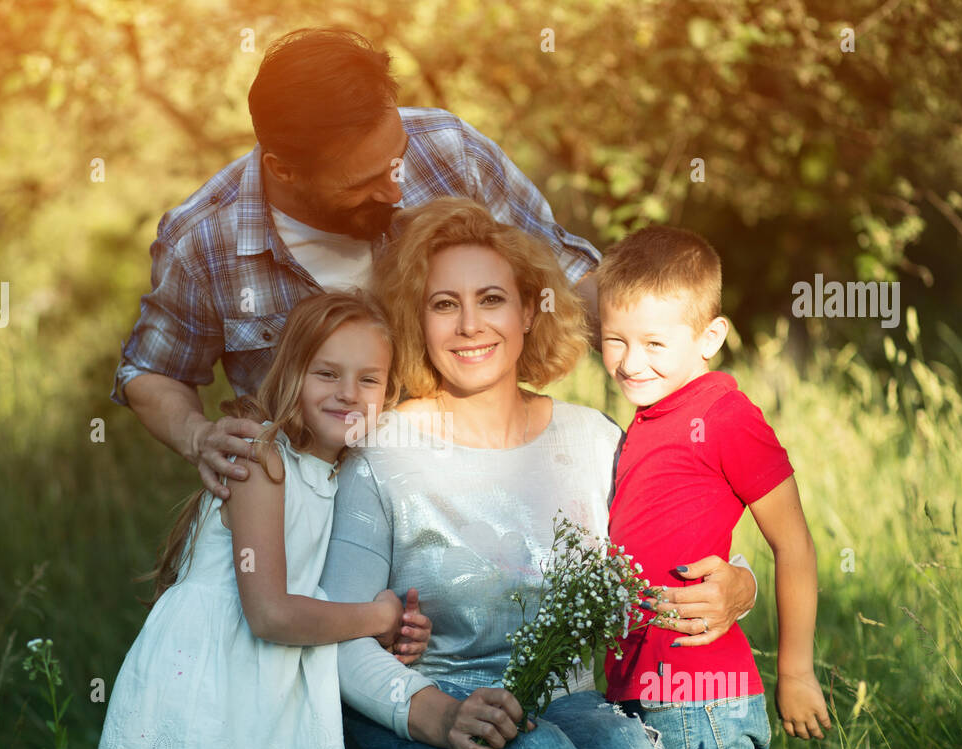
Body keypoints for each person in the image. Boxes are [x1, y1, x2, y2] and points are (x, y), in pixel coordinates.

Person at [317, 198, 759, 749]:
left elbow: (683, 547)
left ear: (529, 312)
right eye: (444, 305)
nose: (470, 326)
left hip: (568, 705)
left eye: (491, 299)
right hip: (425, 716)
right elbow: (337, 635)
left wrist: (741, 584)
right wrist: (439, 714)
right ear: (417, 319)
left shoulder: (592, 440)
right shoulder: (381, 451)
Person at [111, 27, 604, 501]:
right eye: (362, 183)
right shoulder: (201, 241)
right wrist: (198, 437)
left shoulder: (451, 150)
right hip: (314, 505)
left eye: (398, 158)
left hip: (473, 480)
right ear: (282, 169)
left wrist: (673, 384)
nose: (396, 190)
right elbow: (153, 370)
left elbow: (568, 272)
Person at [76, 292, 432, 749]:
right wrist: (377, 616)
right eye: (327, 373)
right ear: (292, 372)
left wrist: (394, 632)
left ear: (388, 395)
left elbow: (319, 601)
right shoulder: (264, 459)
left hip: (275, 692)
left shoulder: (349, 478)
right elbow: (269, 613)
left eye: (369, 380)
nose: (347, 393)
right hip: (211, 685)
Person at [595, 225, 832, 749]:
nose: (629, 361)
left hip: (703, 699)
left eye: (653, 343)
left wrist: (796, 672)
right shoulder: (647, 420)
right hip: (639, 692)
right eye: (615, 339)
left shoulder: (725, 416)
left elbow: (795, 545)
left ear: (709, 338)